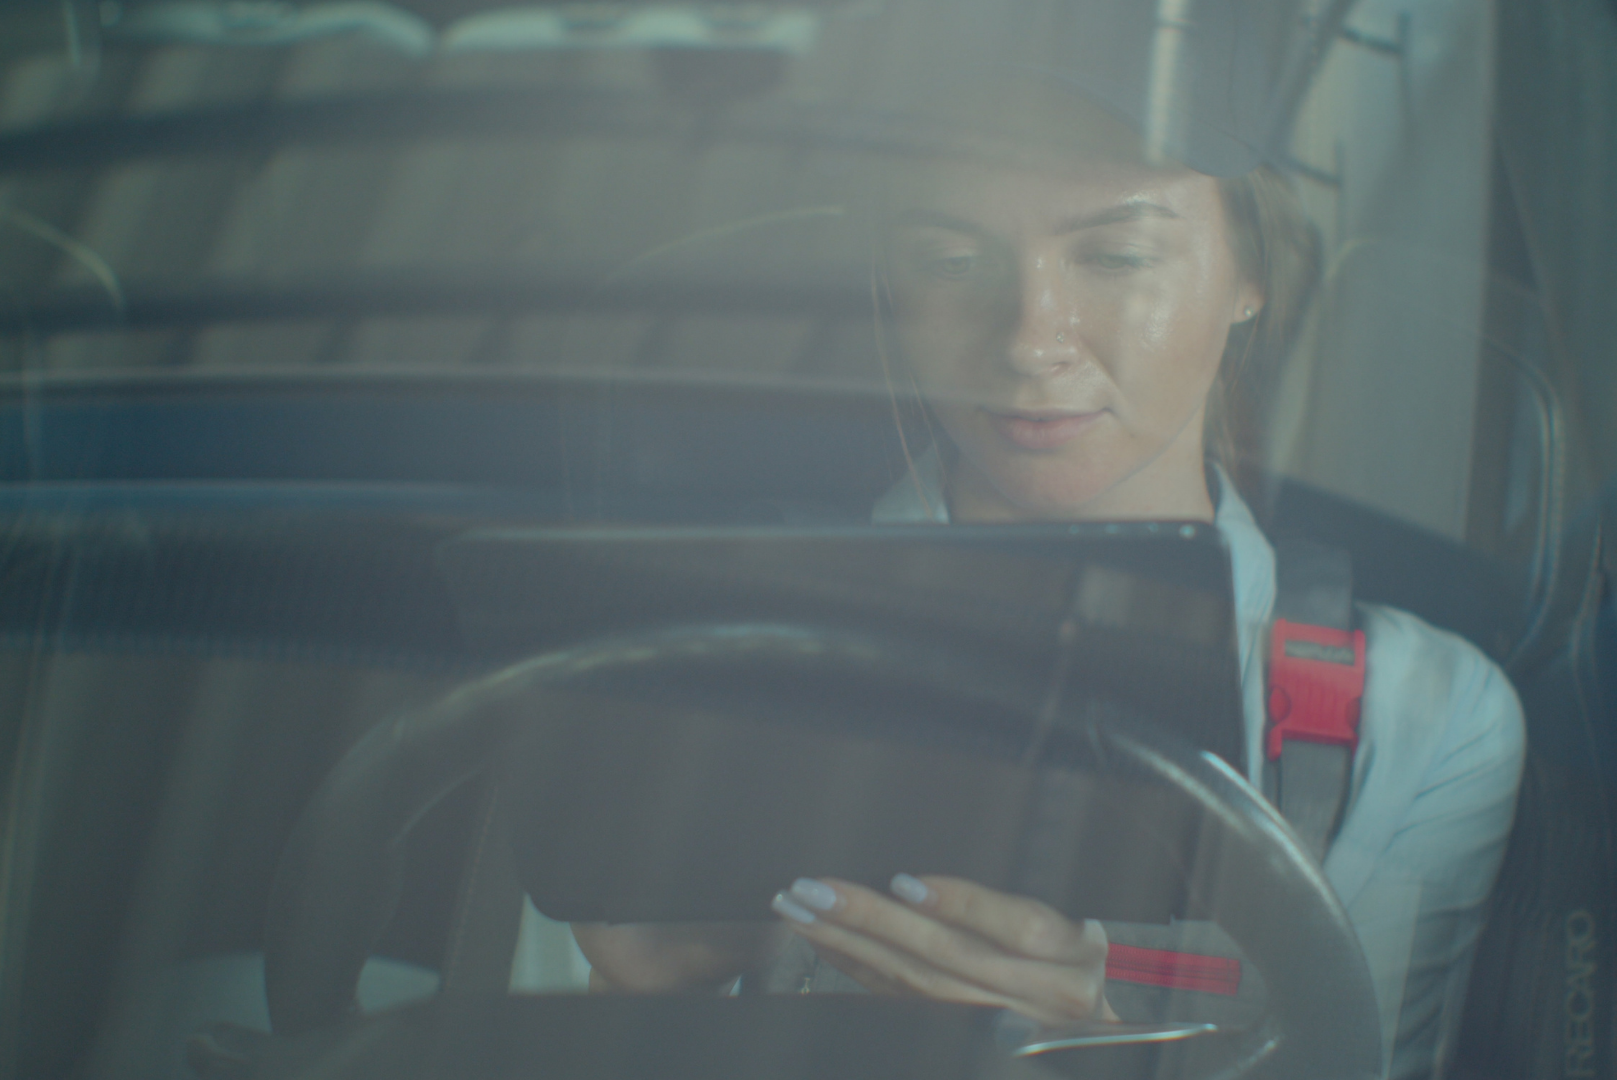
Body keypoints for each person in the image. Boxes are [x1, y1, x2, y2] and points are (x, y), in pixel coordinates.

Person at [553, 5, 1525, 1077]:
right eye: (953, 259)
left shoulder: (1417, 722)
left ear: (1250, 271)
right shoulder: (715, 643)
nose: (1028, 337)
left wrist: (1115, 1045)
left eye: (1115, 254)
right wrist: (638, 1000)